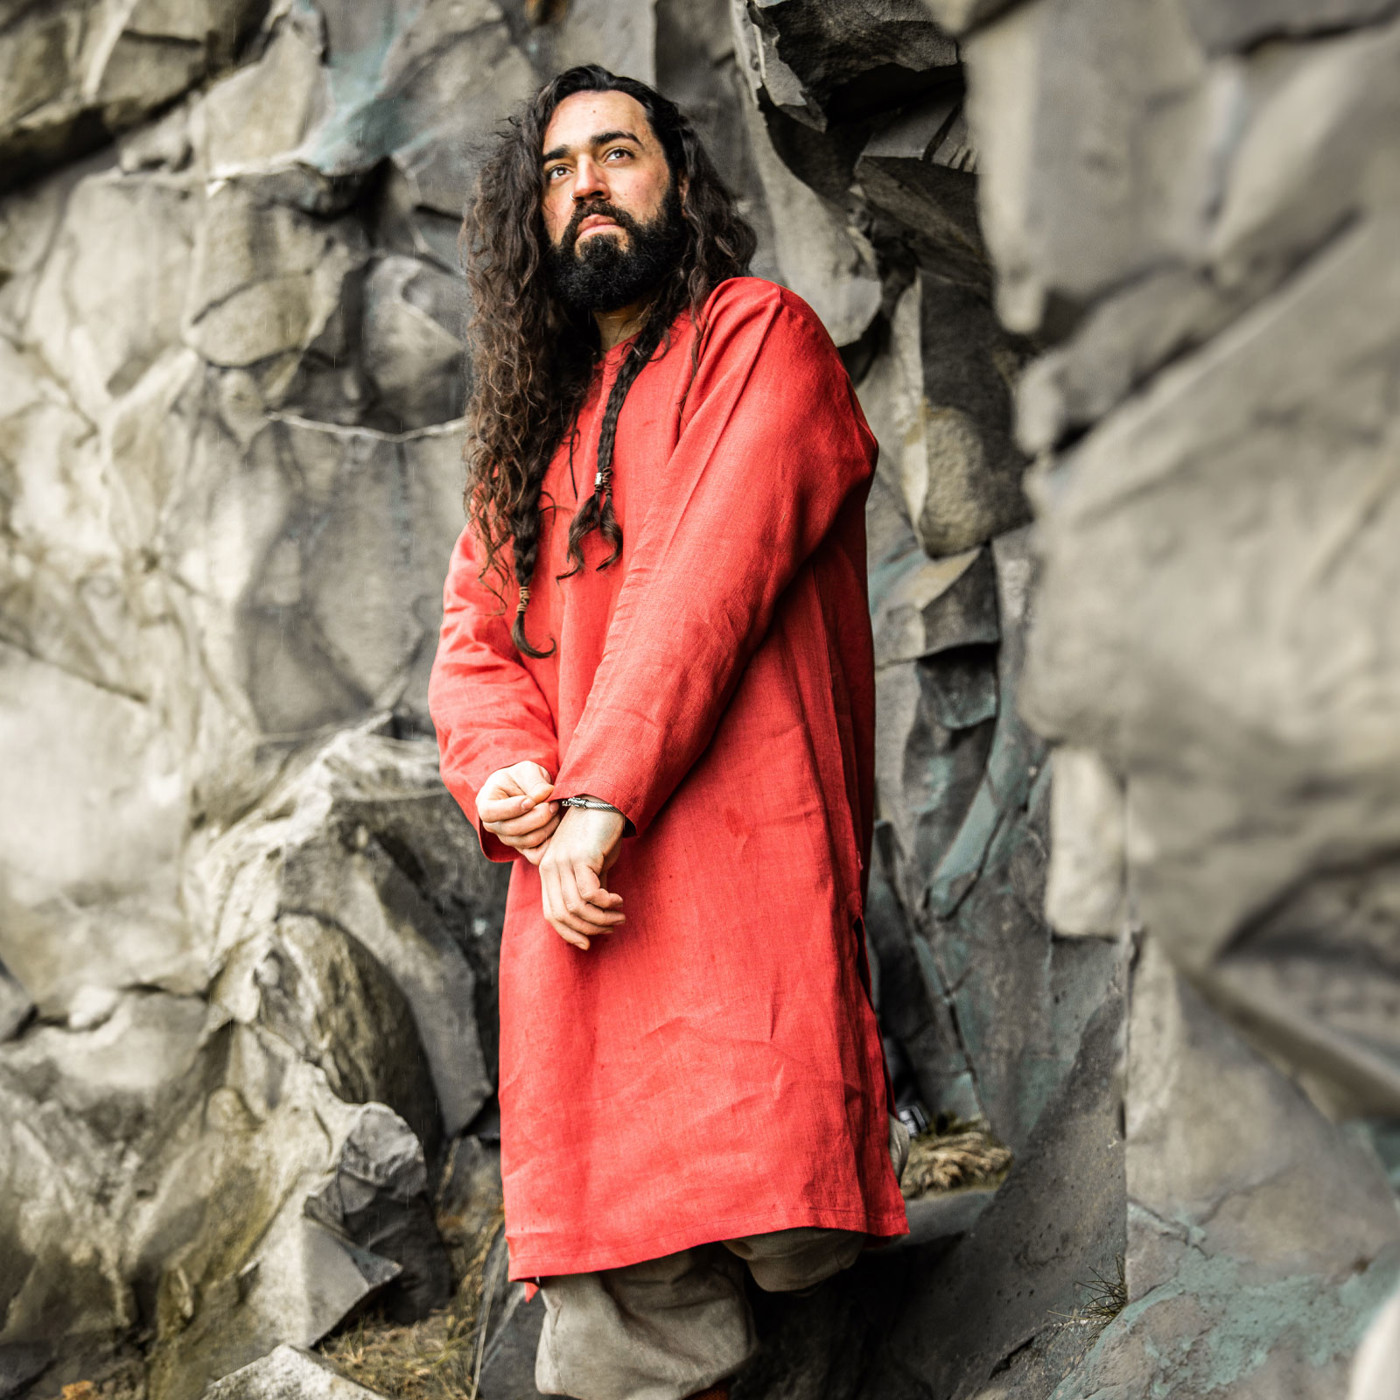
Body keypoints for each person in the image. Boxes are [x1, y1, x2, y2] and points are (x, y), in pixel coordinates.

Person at [428, 64, 909, 1400]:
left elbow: (711, 577)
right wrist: (507, 774)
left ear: (680, 183)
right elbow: (473, 646)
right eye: (556, 169)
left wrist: (599, 799)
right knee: (619, 1307)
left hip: (735, 865)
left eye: (616, 153)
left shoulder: (762, 337)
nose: (585, 184)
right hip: (579, 898)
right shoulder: (529, 431)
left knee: (790, 1233)